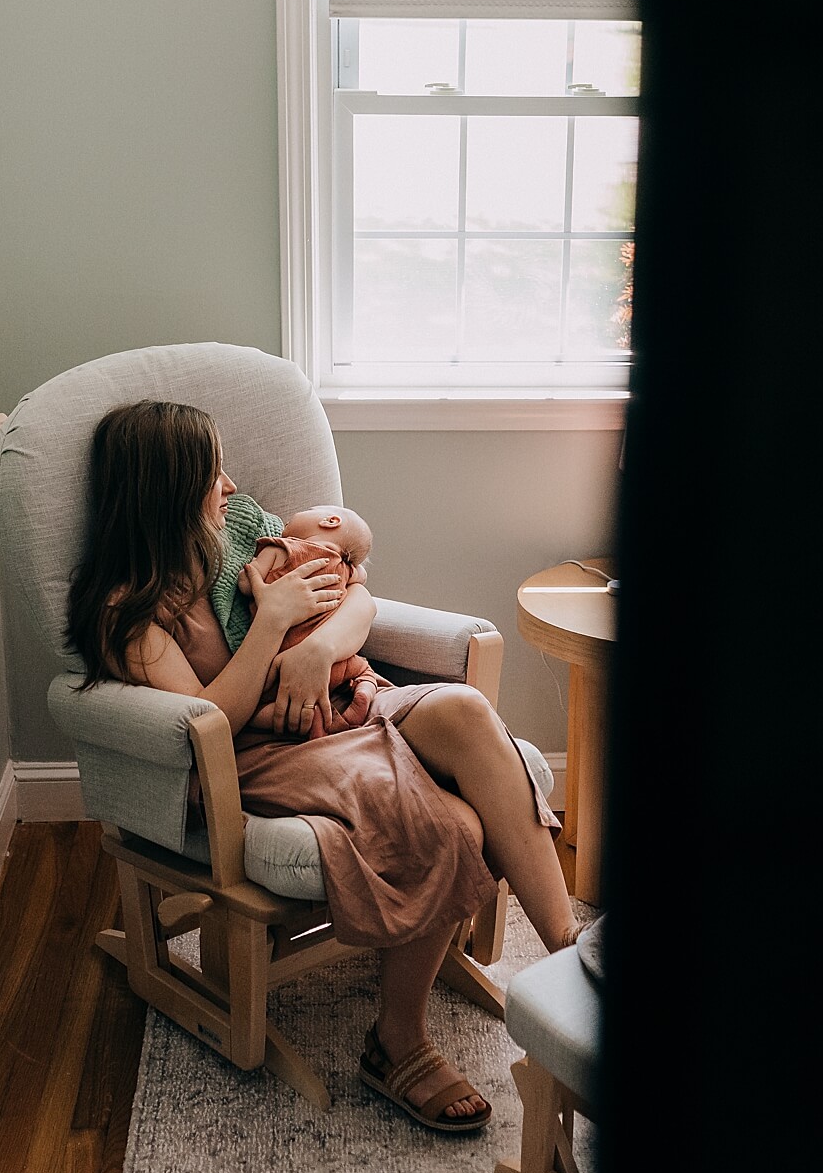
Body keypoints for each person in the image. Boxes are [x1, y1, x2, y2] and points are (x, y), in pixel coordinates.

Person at [65, 399, 582, 1135]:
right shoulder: (129, 612)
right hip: (253, 757)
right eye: (213, 472)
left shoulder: (237, 542)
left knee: (467, 711)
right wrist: (273, 621)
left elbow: (357, 595)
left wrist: (313, 649)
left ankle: (568, 959)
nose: (232, 484)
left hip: (338, 702)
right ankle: (396, 1041)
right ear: (169, 490)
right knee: (455, 823)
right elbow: (203, 721)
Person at [238, 504, 394, 738]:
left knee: (257, 711)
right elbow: (362, 576)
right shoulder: (343, 566)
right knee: (362, 668)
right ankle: (365, 686)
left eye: (310, 508)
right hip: (339, 664)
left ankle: (312, 722)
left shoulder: (282, 548)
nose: (289, 519)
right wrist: (349, 563)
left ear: (331, 521)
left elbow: (246, 583)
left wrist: (246, 577)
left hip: (285, 659)